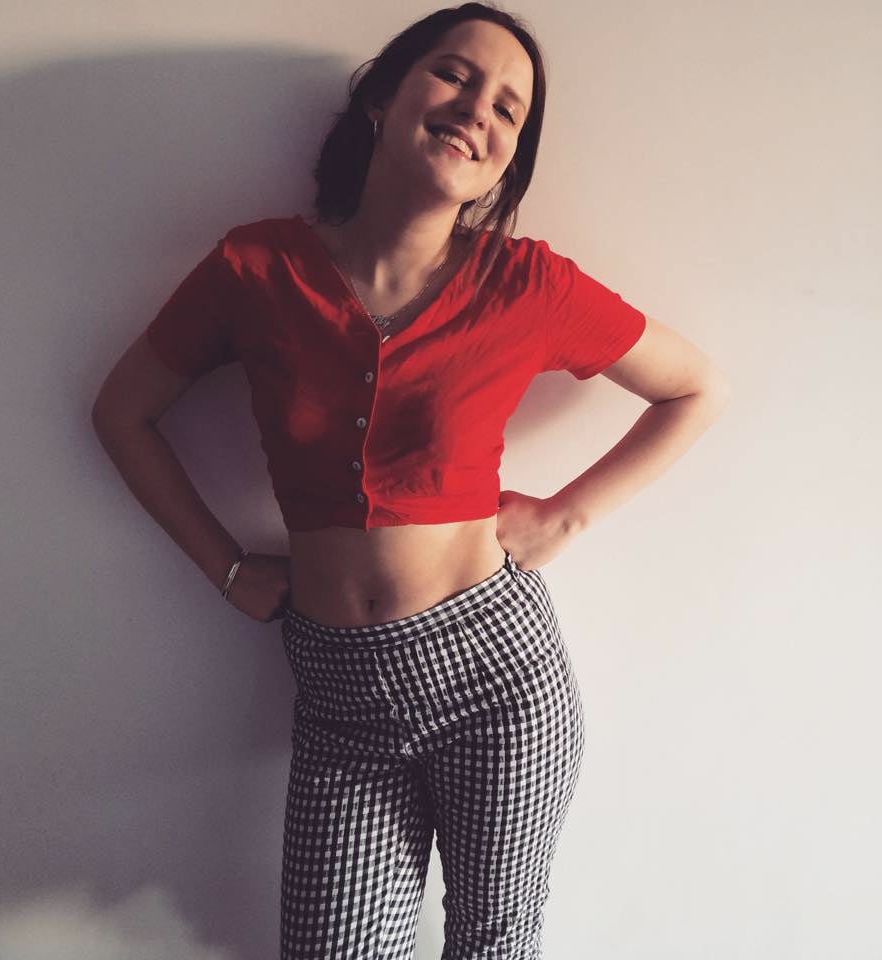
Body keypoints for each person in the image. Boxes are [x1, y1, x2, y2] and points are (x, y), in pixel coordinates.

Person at [92, 3, 730, 957]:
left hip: (497, 676)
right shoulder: (255, 267)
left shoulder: (526, 285)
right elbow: (123, 411)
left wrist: (565, 518)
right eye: (455, 75)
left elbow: (695, 388)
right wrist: (223, 567)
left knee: (493, 941)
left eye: (509, 109)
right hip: (337, 691)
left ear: (509, 161)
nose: (478, 110)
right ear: (383, 99)